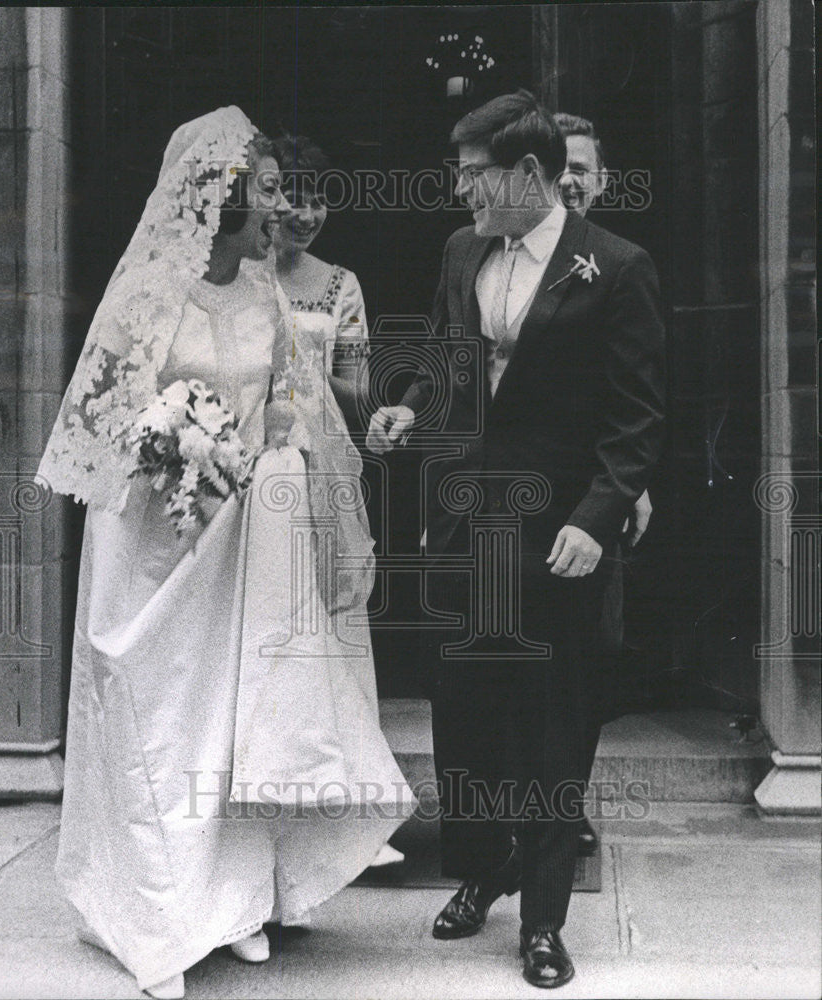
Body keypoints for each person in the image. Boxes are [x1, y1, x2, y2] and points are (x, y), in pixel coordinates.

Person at [38, 107, 413, 1000]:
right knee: (157, 717)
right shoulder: (144, 295)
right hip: (147, 540)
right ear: (217, 201)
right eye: (261, 195)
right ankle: (156, 913)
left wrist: (258, 453)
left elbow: (291, 404)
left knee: (227, 719)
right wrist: (172, 441)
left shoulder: (263, 292)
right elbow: (100, 419)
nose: (274, 211)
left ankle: (234, 904)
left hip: (237, 534)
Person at [367, 90, 665, 988]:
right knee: (465, 716)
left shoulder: (615, 267)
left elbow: (637, 419)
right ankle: (487, 866)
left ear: (528, 174)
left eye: (472, 178)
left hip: (556, 536)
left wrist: (594, 518)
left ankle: (541, 919)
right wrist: (405, 408)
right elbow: (446, 357)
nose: (460, 195)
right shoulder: (462, 251)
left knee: (551, 722)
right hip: (466, 523)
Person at [269, 132, 405, 869]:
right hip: (256, 464)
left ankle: (352, 804)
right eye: (292, 194)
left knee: (333, 620)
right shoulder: (235, 274)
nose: (306, 211)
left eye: (318, 197)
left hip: (322, 468)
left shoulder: (338, 283)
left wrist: (382, 405)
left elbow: (352, 379)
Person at [554, 110, 655, 856]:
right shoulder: (495, 258)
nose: (566, 179)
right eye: (553, 164)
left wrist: (626, 486)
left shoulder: (619, 265)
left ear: (602, 181)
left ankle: (563, 804)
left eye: (580, 168)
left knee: (585, 661)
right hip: (513, 494)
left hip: (594, 495)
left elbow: (636, 395)